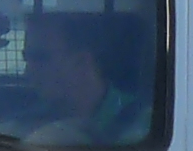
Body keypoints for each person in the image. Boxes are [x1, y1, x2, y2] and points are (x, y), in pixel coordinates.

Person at [23, 11, 149, 146]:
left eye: (40, 57)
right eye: (26, 57)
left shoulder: (143, 124)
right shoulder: (26, 121)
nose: (27, 71)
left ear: (81, 61)